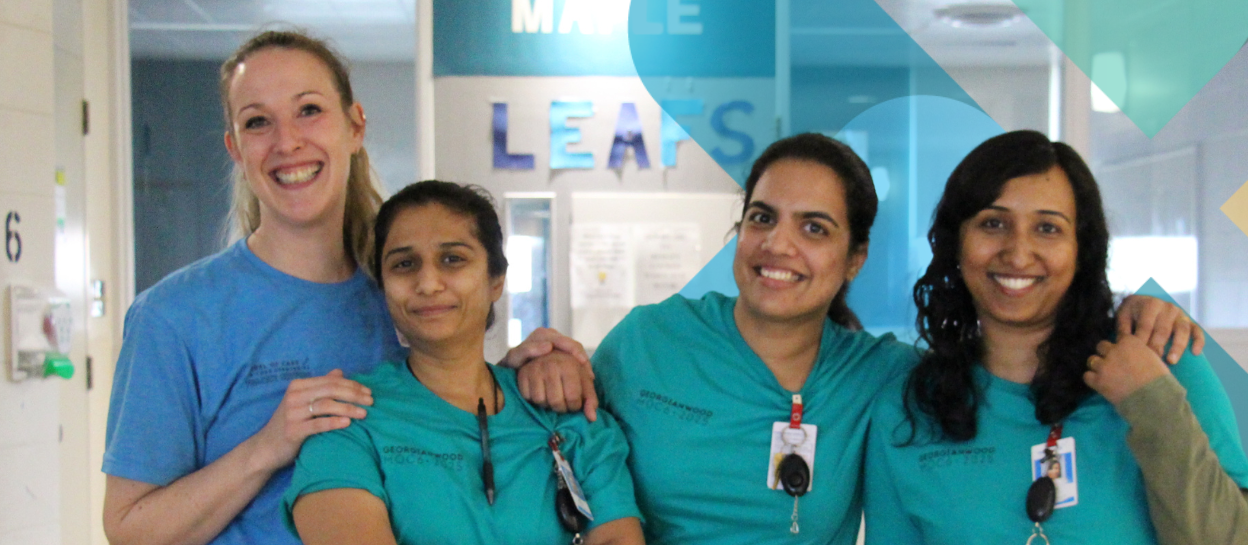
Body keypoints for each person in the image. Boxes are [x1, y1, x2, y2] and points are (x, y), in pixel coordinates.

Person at [505, 133, 1206, 544]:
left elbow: (1013, 352)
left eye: (815, 227)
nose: (779, 245)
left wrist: (1134, 310)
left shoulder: (889, 378)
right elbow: (560, 431)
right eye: (761, 217)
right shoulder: (650, 339)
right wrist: (529, 361)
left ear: (855, 257)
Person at [863, 130, 1248, 544]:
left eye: (1047, 228)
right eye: (993, 223)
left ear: (1081, 250)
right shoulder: (908, 411)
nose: (1018, 253)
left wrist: (1149, 402)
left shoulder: (1160, 360)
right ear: (956, 243)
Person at [100, 30, 404, 545]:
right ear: (235, 148)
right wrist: (267, 446)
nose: (287, 142)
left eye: (308, 110)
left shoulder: (407, 299)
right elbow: (131, 530)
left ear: (355, 127)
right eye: (258, 122)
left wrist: (526, 374)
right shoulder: (173, 317)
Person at [283, 181, 644, 545]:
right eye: (404, 264)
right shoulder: (348, 420)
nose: (428, 282)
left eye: (453, 259)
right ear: (384, 287)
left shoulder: (564, 410)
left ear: (496, 279)